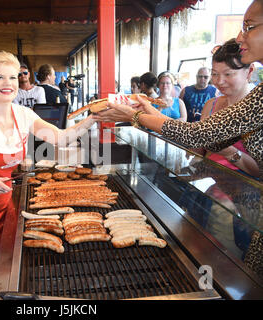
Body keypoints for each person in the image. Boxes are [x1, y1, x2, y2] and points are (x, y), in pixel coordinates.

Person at [92, 0, 263, 276]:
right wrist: (147, 110)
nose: (242, 35)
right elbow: (196, 139)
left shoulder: (257, 99)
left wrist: (133, 116)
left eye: (249, 26)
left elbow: (195, 133)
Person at [0, 51, 96, 300]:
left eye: (13, 77)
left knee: (6, 267)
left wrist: (92, 119)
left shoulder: (24, 115)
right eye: (0, 77)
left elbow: (61, 137)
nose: (7, 83)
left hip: (7, 204)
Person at [195, 38, 258, 177]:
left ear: (249, 71)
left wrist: (228, 150)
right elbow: (200, 151)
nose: (219, 81)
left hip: (242, 190)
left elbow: (259, 171)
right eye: (215, 74)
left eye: (228, 74)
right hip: (209, 184)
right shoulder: (210, 105)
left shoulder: (257, 108)